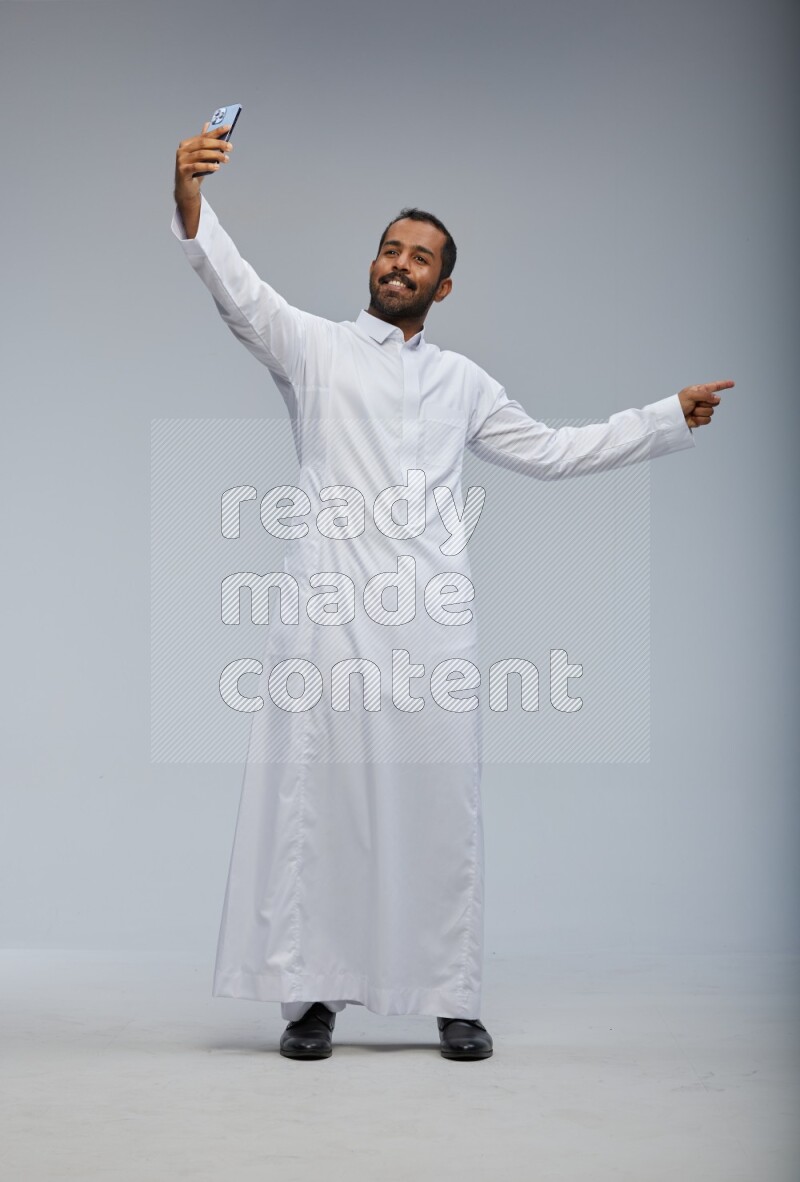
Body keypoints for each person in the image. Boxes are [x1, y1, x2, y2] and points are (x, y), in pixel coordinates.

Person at [170, 121, 732, 1062]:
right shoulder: (314, 348)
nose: (399, 263)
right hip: (332, 626)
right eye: (390, 248)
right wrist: (189, 198)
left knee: (441, 811)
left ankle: (453, 999)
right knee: (327, 804)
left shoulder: (464, 383)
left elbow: (553, 452)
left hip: (432, 631)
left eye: (419, 257)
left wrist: (662, 419)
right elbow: (236, 291)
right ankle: (312, 997)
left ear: (444, 285)